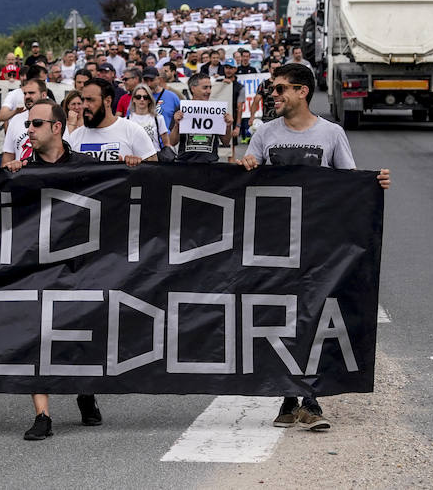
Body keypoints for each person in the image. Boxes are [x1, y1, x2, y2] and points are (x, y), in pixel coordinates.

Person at [237, 63, 390, 432]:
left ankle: (306, 400)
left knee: (314, 318)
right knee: (283, 318)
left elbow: (348, 182)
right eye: (271, 90)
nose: (273, 96)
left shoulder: (331, 133)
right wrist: (245, 164)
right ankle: (293, 398)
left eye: (279, 89)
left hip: (319, 245)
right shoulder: (263, 133)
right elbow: (244, 177)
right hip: (274, 247)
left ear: (302, 91)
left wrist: (374, 182)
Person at [5, 100, 103, 440]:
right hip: (38, 265)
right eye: (27, 124)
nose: (28, 129)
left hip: (82, 263)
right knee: (36, 334)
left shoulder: (88, 166)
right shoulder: (22, 171)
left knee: (81, 332)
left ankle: (86, 392)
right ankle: (42, 415)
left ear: (56, 128)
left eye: (35, 124)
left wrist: (132, 166)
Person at [64, 79, 157, 166]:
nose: (84, 105)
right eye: (83, 100)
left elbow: (153, 170)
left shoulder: (133, 131)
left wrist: (136, 166)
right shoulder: (75, 136)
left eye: (90, 100)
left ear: (107, 101)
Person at [167, 73, 234, 162]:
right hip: (186, 163)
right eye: (205, 88)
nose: (209, 91)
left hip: (210, 164)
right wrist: (176, 124)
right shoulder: (182, 109)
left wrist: (228, 126)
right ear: (193, 89)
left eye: (210, 87)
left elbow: (225, 142)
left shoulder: (216, 110)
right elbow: (172, 142)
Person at [0, 78, 50, 167]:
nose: (27, 96)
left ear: (43, 95)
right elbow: (8, 157)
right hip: (21, 178)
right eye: (25, 93)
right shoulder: (15, 120)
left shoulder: (55, 118)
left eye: (31, 93)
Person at [124, 83, 169, 153]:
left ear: (149, 100)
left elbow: (166, 144)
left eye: (145, 97)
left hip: (155, 160)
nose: (142, 99)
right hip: (134, 159)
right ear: (133, 99)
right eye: (138, 97)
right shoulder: (126, 120)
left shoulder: (158, 118)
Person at [141, 67, 182, 131]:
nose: (149, 84)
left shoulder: (172, 97)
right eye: (146, 81)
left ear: (158, 79)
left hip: (166, 139)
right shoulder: (137, 97)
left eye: (152, 80)